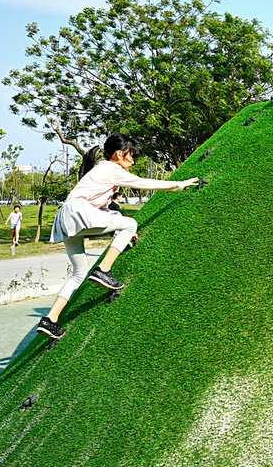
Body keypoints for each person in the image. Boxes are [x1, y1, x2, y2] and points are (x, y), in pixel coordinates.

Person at [38, 134, 199, 338]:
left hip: (65, 217)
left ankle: (50, 320)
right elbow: (143, 183)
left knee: (79, 273)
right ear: (119, 154)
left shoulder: (101, 171)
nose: (133, 160)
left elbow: (103, 212)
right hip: (77, 212)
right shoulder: (112, 168)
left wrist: (117, 231)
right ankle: (103, 270)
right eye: (131, 156)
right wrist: (178, 184)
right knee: (130, 224)